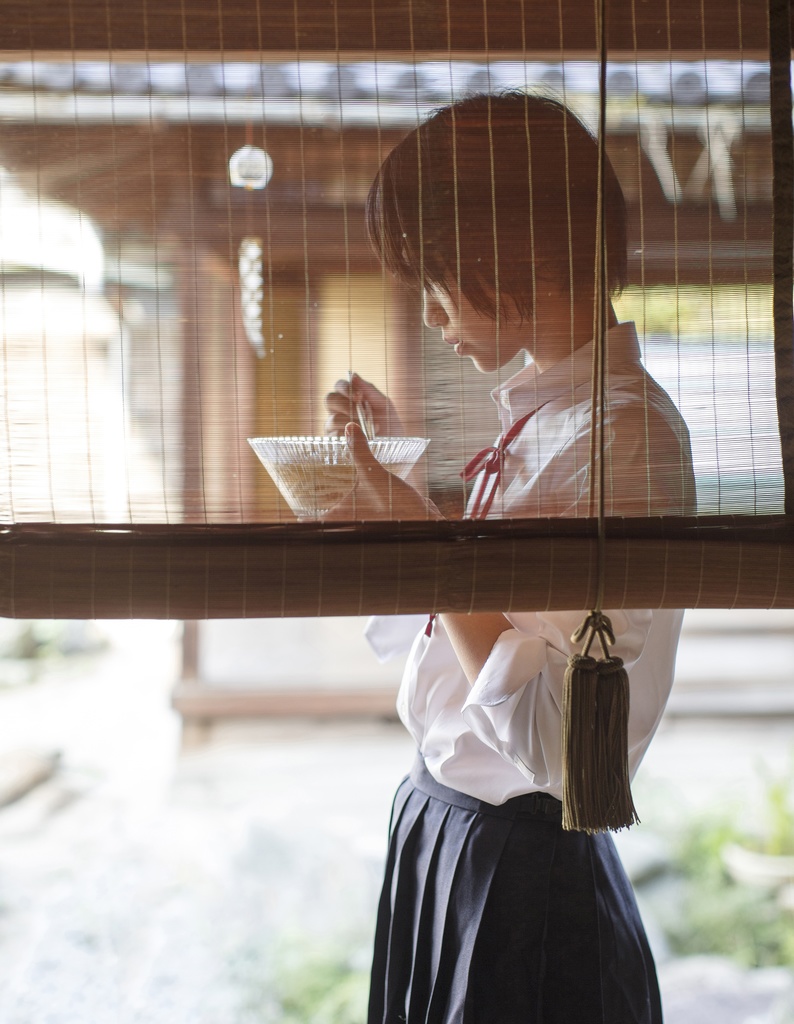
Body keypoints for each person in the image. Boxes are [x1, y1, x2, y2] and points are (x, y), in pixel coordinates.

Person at [324, 92, 695, 1024]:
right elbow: (439, 655)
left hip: (522, 873)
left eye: (436, 274)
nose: (430, 309)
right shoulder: (547, 424)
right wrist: (399, 498)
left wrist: (424, 533)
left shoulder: (625, 440)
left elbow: (568, 755)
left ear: (511, 256)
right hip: (451, 834)